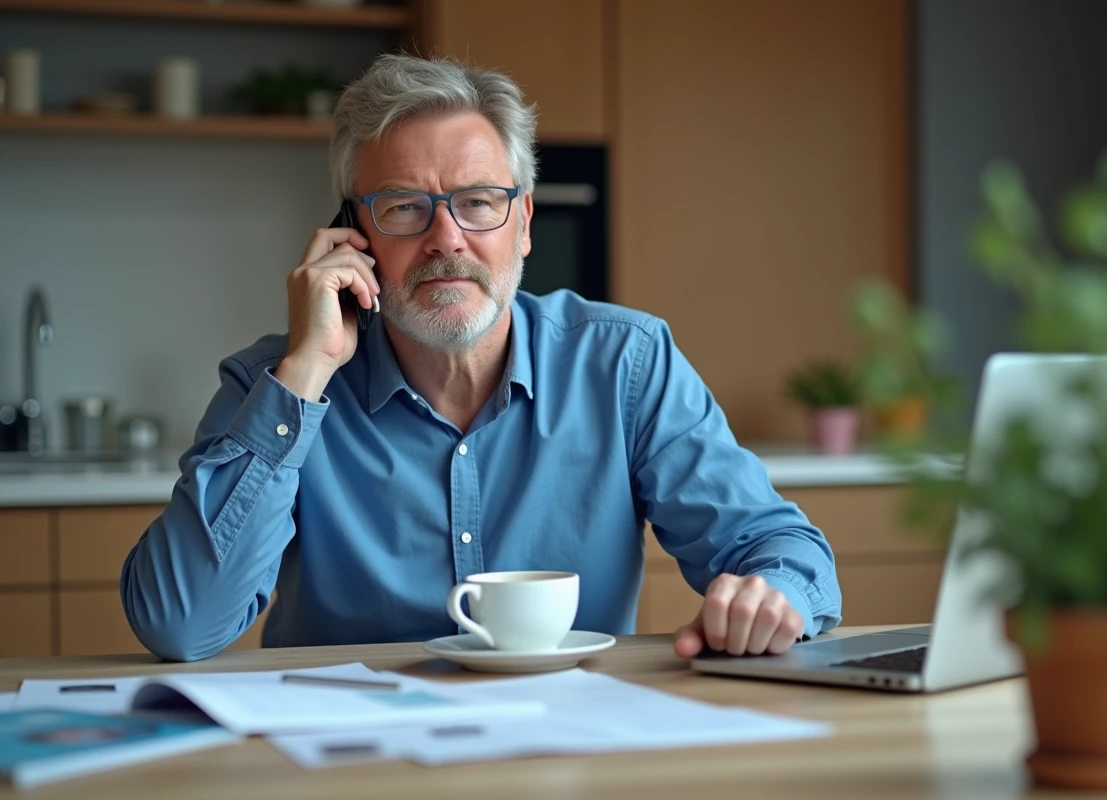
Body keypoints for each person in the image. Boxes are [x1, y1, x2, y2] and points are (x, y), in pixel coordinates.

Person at [119, 54, 842, 663]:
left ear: (523, 223)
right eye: (404, 206)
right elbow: (181, 624)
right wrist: (305, 375)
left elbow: (780, 549)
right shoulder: (272, 385)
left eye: (478, 202)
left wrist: (771, 594)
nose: (447, 239)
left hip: (569, 748)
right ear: (352, 235)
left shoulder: (625, 362)